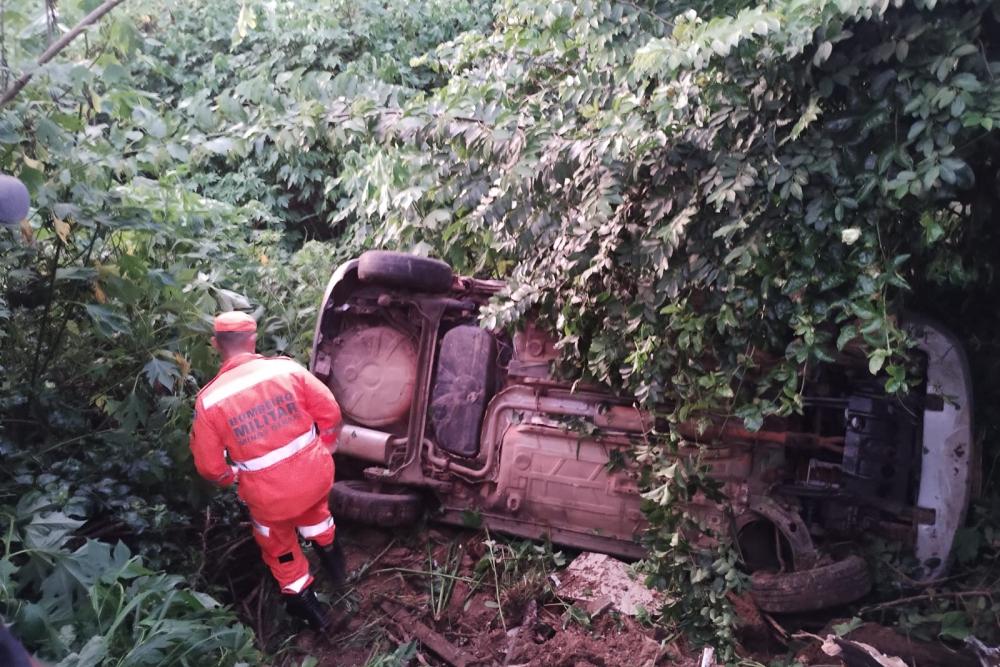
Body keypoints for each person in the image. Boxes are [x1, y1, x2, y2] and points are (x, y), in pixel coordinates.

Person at [189, 311, 347, 631]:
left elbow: (208, 466)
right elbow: (329, 410)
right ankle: (337, 567)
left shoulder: (210, 401)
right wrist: (326, 445)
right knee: (316, 514)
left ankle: (313, 613)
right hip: (315, 476)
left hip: (269, 498)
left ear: (215, 344)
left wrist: (230, 477)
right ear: (252, 339)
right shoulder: (286, 369)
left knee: (280, 547)